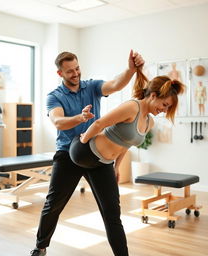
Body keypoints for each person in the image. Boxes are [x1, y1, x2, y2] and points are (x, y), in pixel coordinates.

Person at [30, 50, 144, 256]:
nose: (75, 74)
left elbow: (116, 84)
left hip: (96, 153)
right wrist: (80, 118)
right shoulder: (54, 96)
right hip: (67, 154)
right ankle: (40, 247)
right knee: (53, 204)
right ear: (60, 73)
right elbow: (58, 122)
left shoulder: (91, 86)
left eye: (77, 68)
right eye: (69, 71)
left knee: (112, 212)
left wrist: (130, 69)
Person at [69, 72, 185, 179]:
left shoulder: (150, 122)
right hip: (85, 151)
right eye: (164, 105)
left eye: (168, 107)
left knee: (111, 202)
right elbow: (100, 123)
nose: (165, 110)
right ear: (153, 96)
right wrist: (83, 141)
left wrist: (117, 167)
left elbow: (126, 144)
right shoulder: (132, 107)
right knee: (58, 198)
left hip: (104, 162)